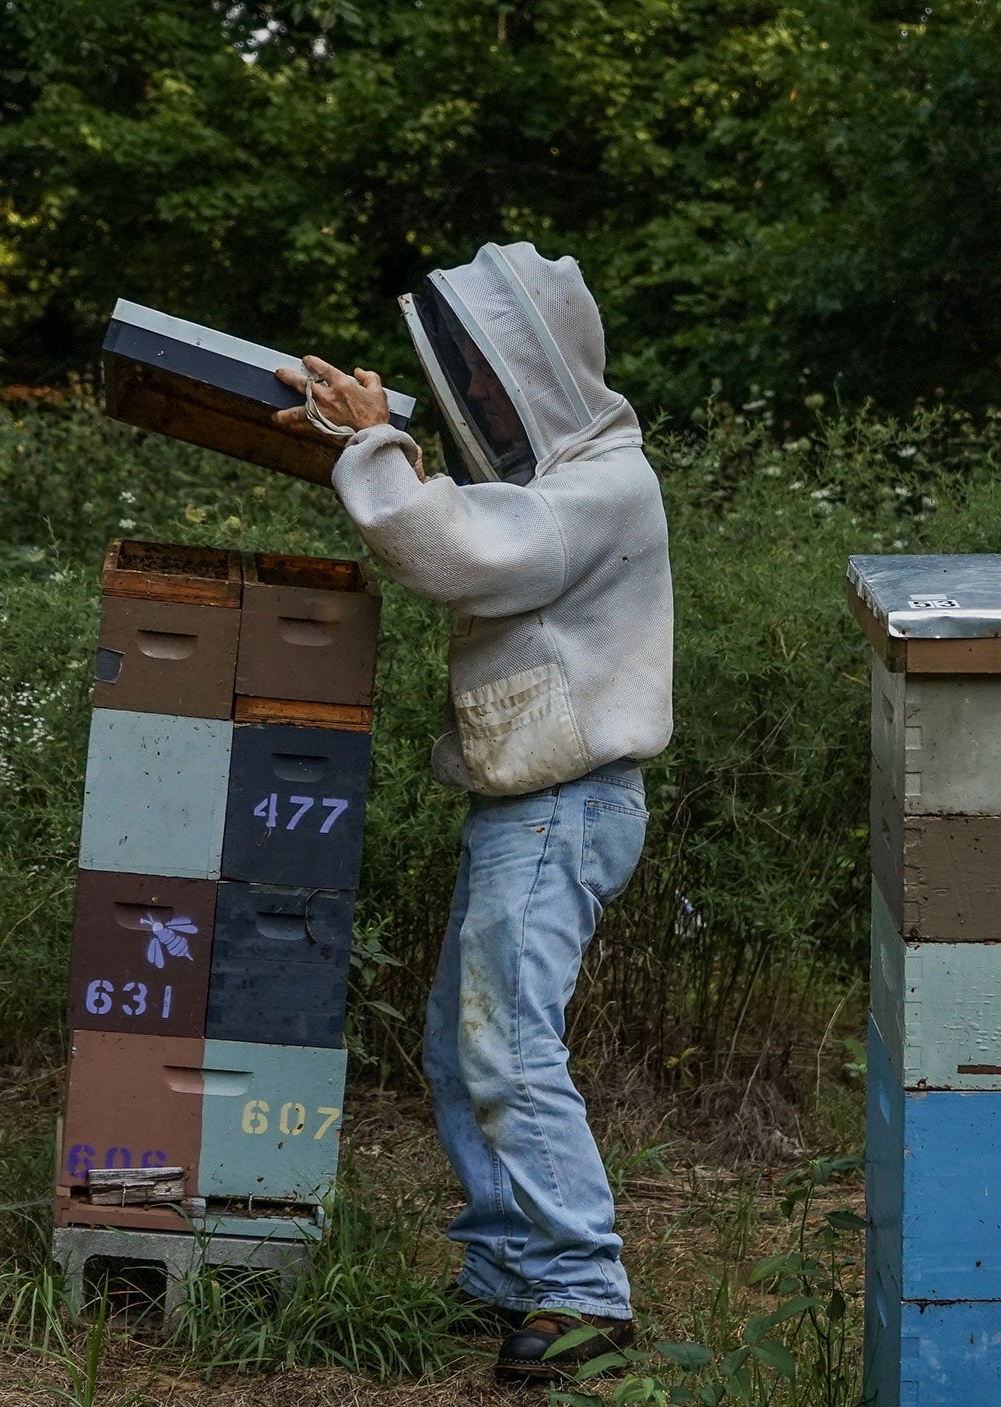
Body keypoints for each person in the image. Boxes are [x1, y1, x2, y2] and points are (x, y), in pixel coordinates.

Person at [274, 242, 673, 1383]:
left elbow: (448, 548)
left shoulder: (599, 491)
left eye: (490, 374)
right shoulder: (564, 485)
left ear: (538, 368)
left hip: (561, 806)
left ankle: (582, 1288)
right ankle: (511, 1269)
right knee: (464, 1042)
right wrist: (367, 444)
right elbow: (460, 517)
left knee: (505, 1043)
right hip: (531, 808)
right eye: (468, 376)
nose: (477, 395)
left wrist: (371, 441)